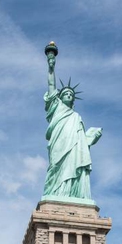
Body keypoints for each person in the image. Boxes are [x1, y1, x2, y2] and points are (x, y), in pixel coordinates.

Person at [43, 46, 102, 200]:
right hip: (59, 145)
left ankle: (73, 194)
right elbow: (51, 86)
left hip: (74, 149)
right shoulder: (56, 108)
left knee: (74, 163)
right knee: (57, 167)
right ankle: (57, 193)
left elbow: (81, 142)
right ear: (60, 97)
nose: (68, 95)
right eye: (65, 93)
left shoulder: (77, 117)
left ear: (74, 100)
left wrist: (90, 138)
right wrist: (51, 66)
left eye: (71, 94)